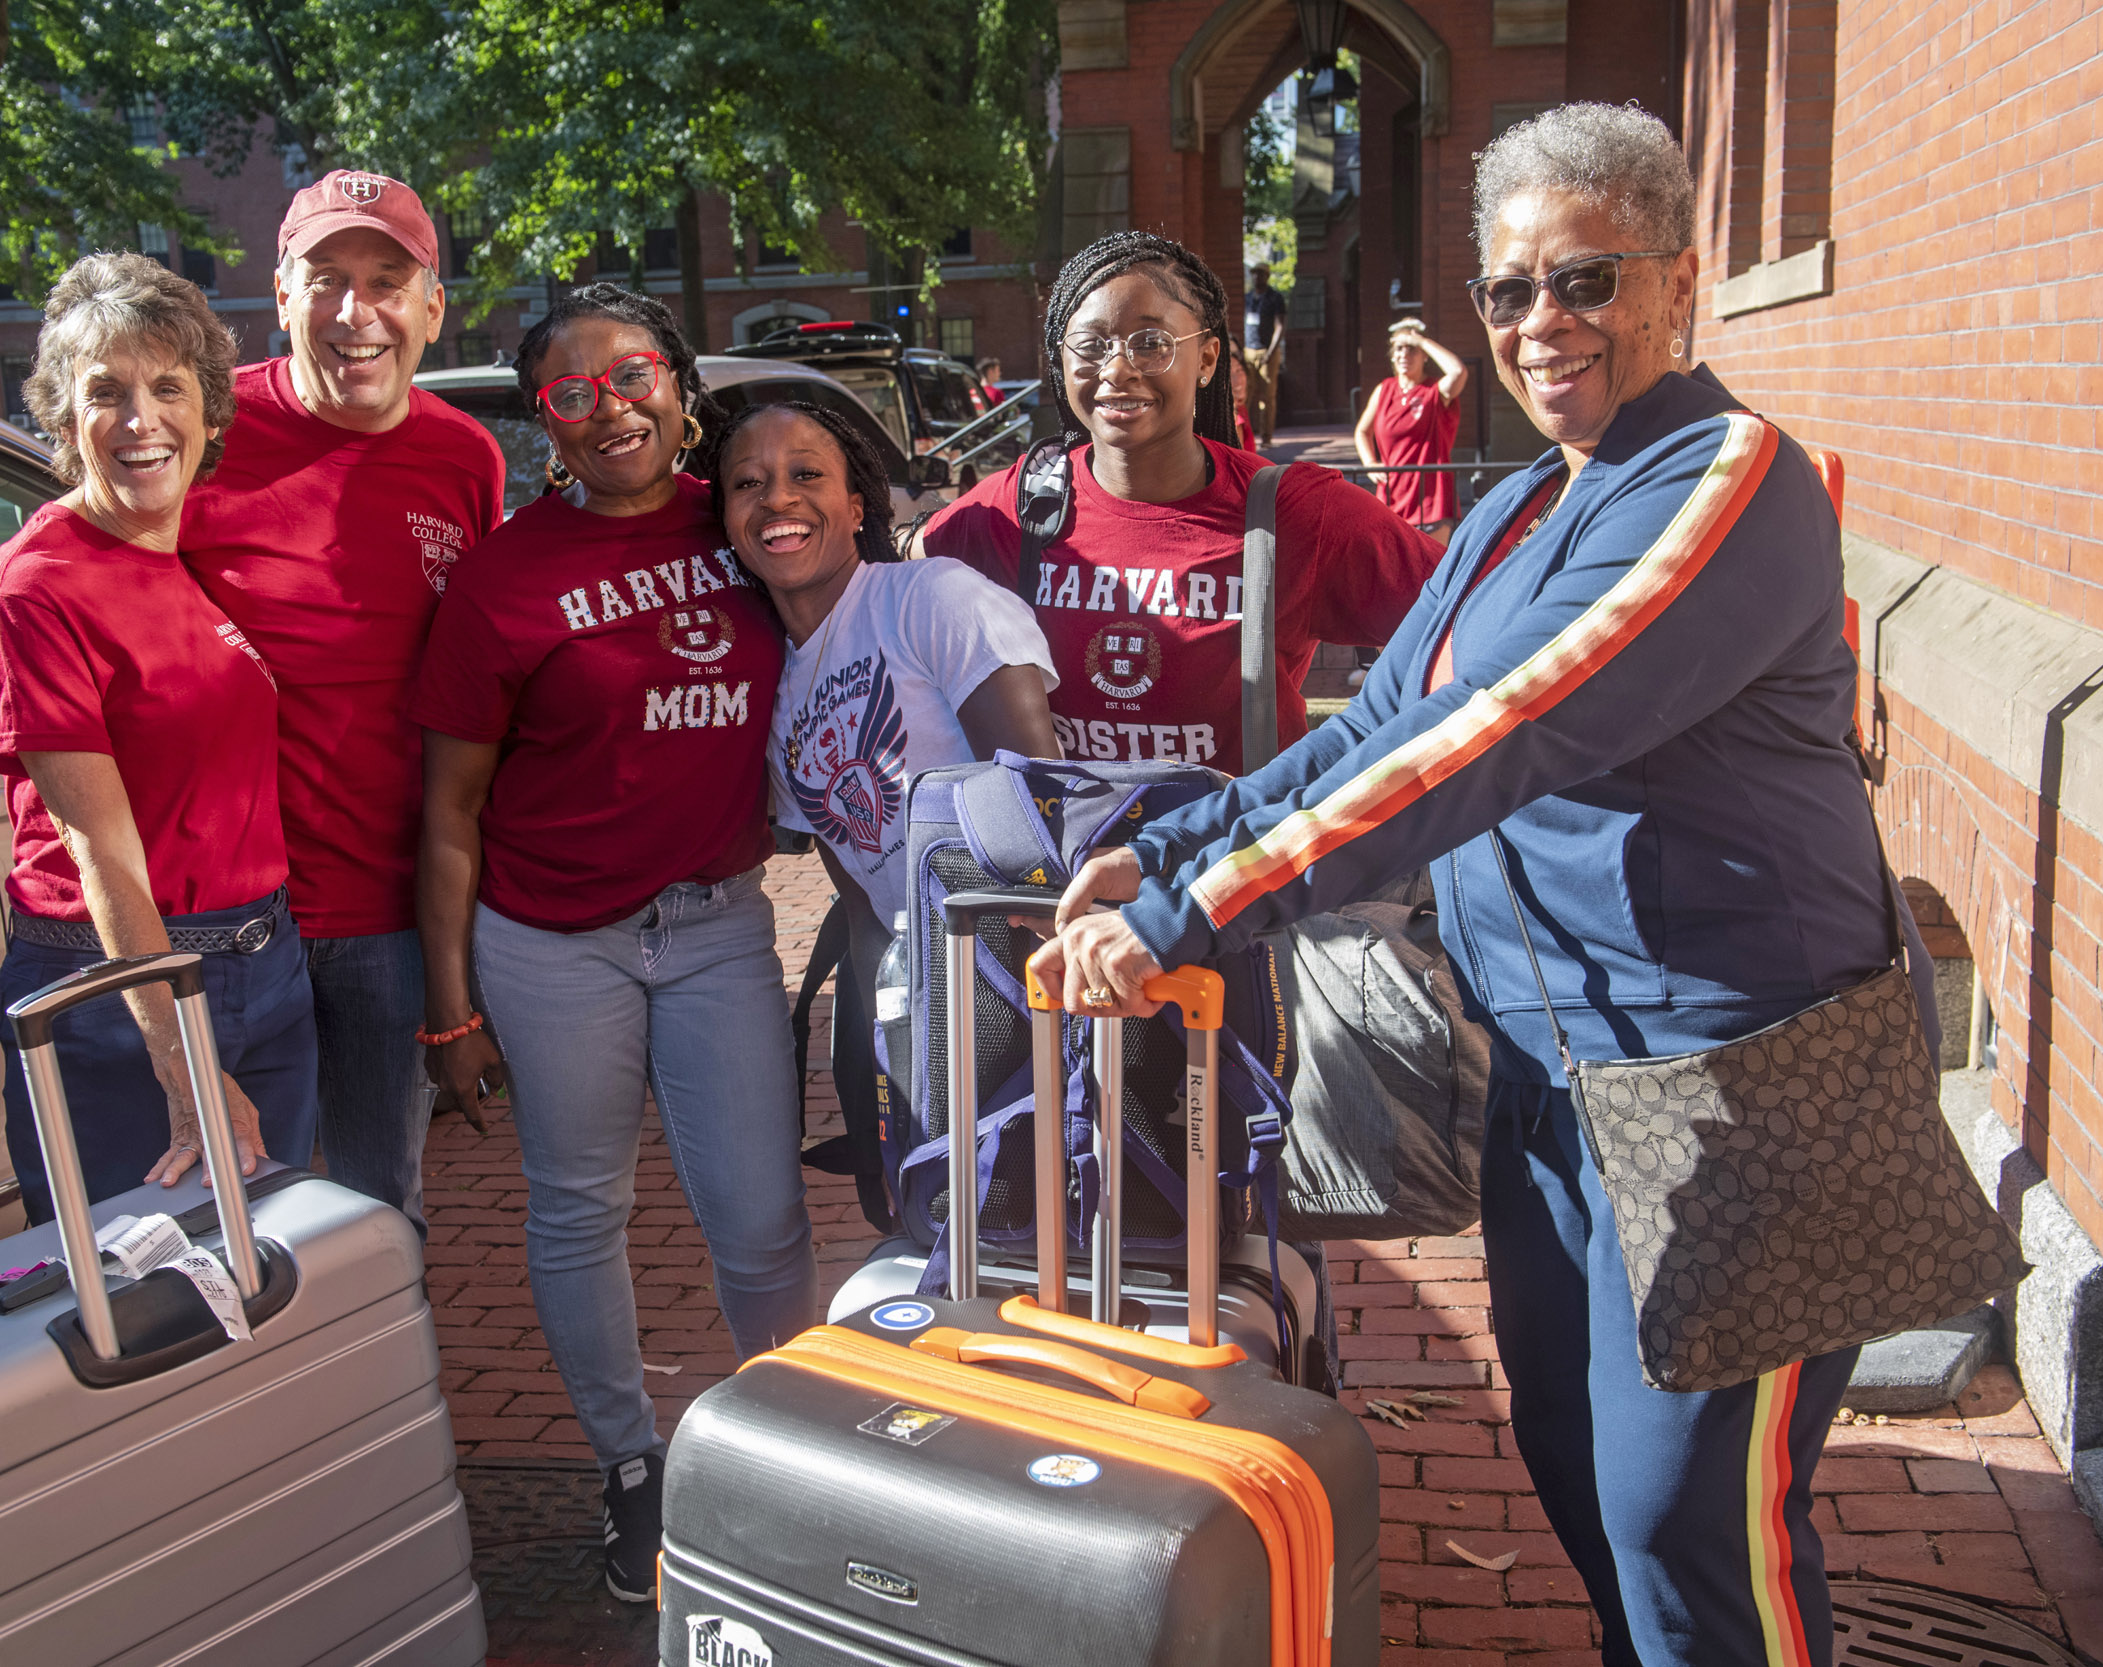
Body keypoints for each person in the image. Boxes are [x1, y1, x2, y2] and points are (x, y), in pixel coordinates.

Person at [1030, 103, 1875, 1667]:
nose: (1544, 324)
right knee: (1575, 1468)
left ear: (1681, 283)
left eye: (1587, 281)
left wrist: (1192, 915)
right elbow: (1379, 724)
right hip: (1554, 1079)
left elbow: (1509, 731)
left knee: (1694, 1523)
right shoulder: (1523, 504)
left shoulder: (1730, 476)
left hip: (1739, 1083)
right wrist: (1170, 843)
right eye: (1509, 292)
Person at [0, 170, 504, 1239]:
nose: (356, 310)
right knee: (177, 1244)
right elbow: (85, 527)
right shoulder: (209, 418)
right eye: (326, 278)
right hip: (201, 922)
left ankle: (356, 1400)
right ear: (281, 296)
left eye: (387, 280)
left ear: (433, 305)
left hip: (371, 914)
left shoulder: (463, 457)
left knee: (370, 1220)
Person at [409, 283, 815, 1607]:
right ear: (546, 423)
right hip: (551, 943)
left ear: (678, 385)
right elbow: (452, 807)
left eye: (630, 374)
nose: (608, 408)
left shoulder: (750, 514)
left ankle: (784, 1450)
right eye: (570, 394)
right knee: (582, 1205)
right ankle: (632, 1462)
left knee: (757, 1215)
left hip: (714, 927)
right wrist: (452, 1006)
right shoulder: (502, 577)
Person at [0, 252, 310, 1224]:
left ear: (208, 407)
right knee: (144, 1302)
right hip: (120, 988)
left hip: (262, 960)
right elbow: (101, 853)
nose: (139, 419)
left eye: (167, 386)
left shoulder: (189, 549)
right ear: (63, 418)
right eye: (104, 391)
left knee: (270, 1274)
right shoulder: (43, 582)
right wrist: (180, 1051)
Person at [917, 232, 1439, 776]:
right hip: (1070, 855)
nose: (1117, 370)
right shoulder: (1019, 507)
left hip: (1231, 855)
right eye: (1090, 346)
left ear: (1207, 358)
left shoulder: (1293, 512)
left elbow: (1480, 615)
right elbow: (883, 567)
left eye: (1150, 343)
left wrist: (1353, 766)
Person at [717, 397, 1058, 962]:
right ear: (728, 523)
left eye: (806, 473)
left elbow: (1042, 806)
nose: (777, 497)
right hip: (924, 987)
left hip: (1027, 966)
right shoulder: (776, 697)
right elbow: (866, 910)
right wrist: (881, 1035)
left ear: (856, 509)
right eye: (748, 483)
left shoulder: (934, 599)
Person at [1355, 319, 1469, 538]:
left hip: (1431, 500)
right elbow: (1362, 431)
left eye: (1412, 349)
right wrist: (1370, 464)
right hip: (1391, 497)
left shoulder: (1435, 391)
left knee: (1431, 569)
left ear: (1424, 355)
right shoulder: (1384, 390)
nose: (1404, 354)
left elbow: (1457, 371)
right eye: (1399, 348)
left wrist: (1421, 340)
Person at [1239, 261, 1288, 444]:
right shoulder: (1248, 298)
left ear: (1267, 276)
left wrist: (1271, 351)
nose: (1256, 277)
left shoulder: (1275, 298)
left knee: (1268, 396)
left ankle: (1266, 437)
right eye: (1254, 273)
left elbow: (1280, 325)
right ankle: (1245, 436)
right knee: (1246, 395)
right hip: (1249, 350)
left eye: (1260, 273)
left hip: (1267, 352)